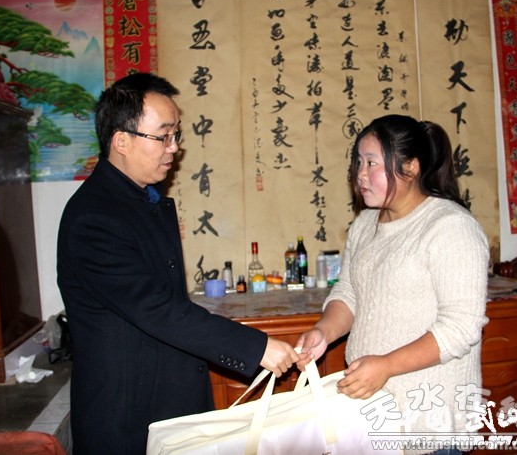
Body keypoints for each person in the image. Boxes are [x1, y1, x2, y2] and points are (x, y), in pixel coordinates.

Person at [57, 72, 298, 455]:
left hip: (168, 402)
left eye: (176, 134)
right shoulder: (94, 218)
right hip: (128, 414)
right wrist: (256, 348)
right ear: (121, 141)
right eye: (163, 136)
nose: (174, 147)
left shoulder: (142, 201)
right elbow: (156, 309)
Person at [296, 114, 489, 455]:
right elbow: (349, 292)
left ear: (410, 167)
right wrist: (324, 331)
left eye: (372, 163)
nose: (360, 174)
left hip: (429, 422)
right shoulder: (365, 224)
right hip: (373, 415)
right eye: (358, 162)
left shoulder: (451, 227)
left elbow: (461, 327)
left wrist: (386, 365)